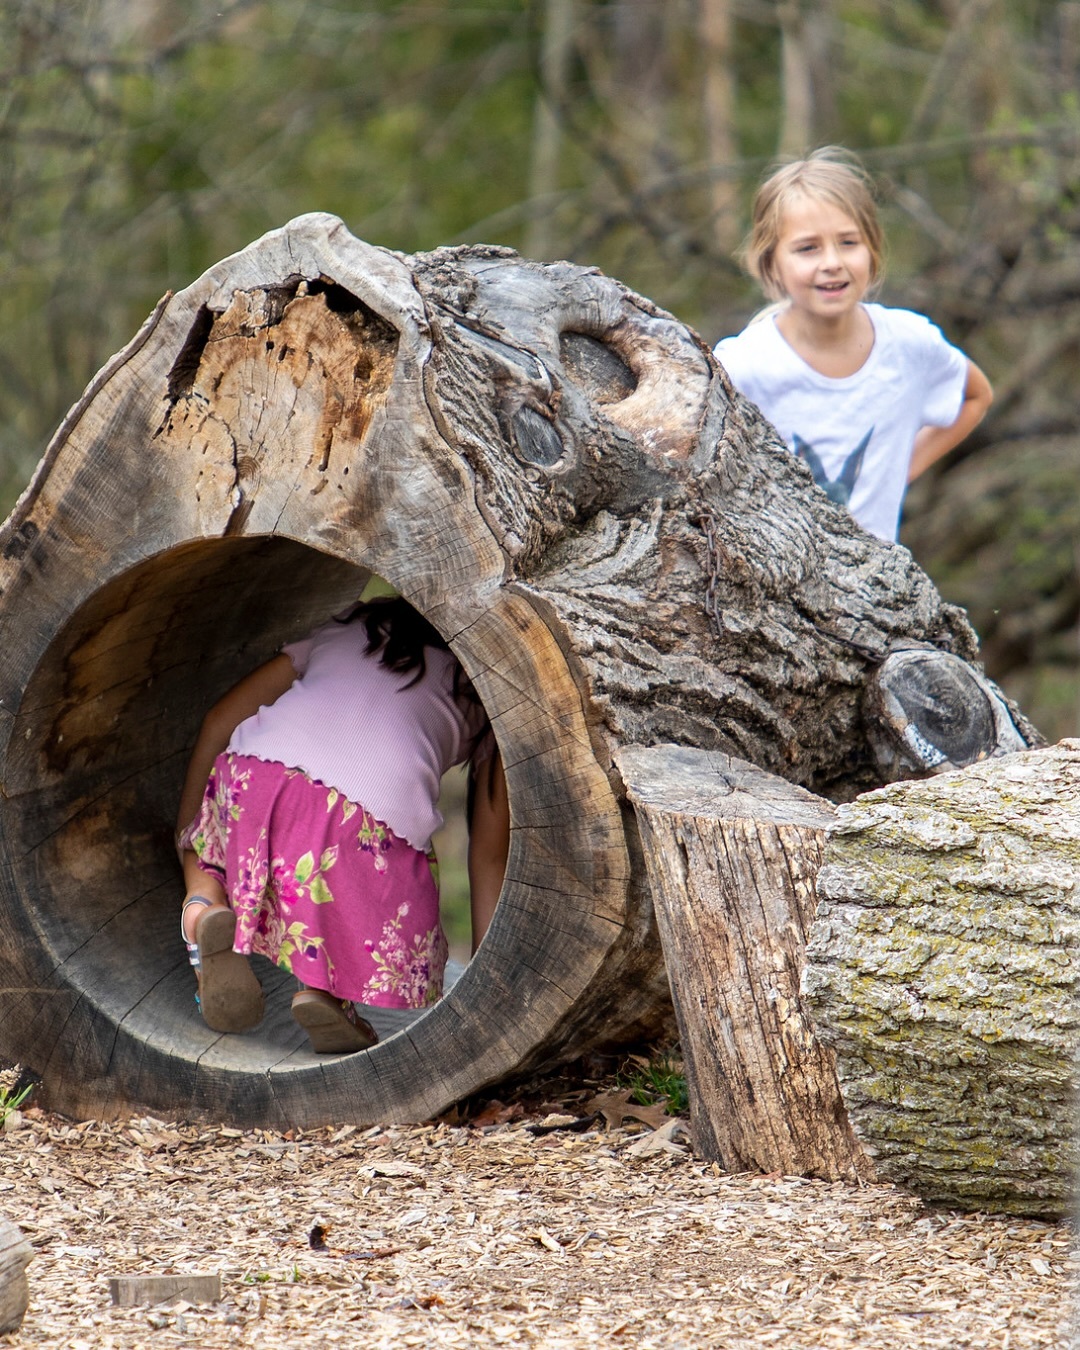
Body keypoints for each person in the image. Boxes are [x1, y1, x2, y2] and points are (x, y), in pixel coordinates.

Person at [176, 593, 509, 1054]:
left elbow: (218, 721)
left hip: (254, 777)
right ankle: (323, 992)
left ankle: (202, 906)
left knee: (216, 834)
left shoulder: (342, 631)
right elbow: (489, 856)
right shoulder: (487, 693)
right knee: (347, 878)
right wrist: (489, 992)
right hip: (364, 821)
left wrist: (189, 833)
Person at [713, 147, 993, 542]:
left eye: (848, 242)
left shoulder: (910, 344)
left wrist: (900, 470)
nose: (832, 262)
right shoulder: (742, 367)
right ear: (771, 262)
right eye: (807, 248)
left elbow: (976, 397)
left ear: (872, 250)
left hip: (874, 590)